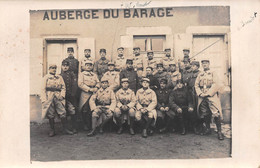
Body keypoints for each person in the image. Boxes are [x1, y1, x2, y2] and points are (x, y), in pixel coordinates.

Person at [195, 58, 224, 140]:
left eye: (206, 63)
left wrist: (208, 93)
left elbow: (216, 84)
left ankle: (219, 132)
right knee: (205, 113)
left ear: (209, 64)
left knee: (215, 112)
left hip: (211, 96)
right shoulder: (200, 74)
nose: (204, 65)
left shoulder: (213, 73)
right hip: (202, 96)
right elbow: (196, 85)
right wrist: (200, 93)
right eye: (203, 63)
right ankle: (207, 129)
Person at [41, 64, 73, 137]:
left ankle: (65, 129)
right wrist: (44, 99)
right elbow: (42, 89)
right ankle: (52, 130)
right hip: (49, 96)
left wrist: (62, 95)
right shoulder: (46, 77)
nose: (54, 70)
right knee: (50, 113)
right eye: (52, 68)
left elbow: (63, 87)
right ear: (49, 69)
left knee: (62, 112)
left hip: (58, 96)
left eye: (55, 68)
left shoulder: (59, 77)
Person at [78, 60, 100, 131]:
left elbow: (98, 82)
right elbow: (80, 84)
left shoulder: (94, 75)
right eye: (87, 65)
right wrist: (89, 89)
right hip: (85, 93)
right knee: (85, 109)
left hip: (94, 93)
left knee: (93, 109)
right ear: (84, 66)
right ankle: (85, 124)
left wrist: (96, 87)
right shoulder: (82, 74)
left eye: (90, 65)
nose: (88, 67)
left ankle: (93, 125)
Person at [60, 60, 78, 134]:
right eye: (64, 66)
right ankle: (65, 128)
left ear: (68, 67)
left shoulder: (72, 74)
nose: (65, 67)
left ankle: (73, 127)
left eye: (66, 66)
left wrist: (73, 94)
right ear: (61, 66)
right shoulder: (59, 76)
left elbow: (74, 85)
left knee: (72, 111)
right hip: (62, 96)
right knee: (63, 112)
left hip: (71, 96)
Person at [187, 61, 201, 134]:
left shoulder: (200, 74)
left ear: (197, 66)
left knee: (199, 110)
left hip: (198, 93)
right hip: (191, 93)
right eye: (191, 66)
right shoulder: (190, 74)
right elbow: (188, 84)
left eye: (193, 66)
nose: (192, 67)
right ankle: (193, 126)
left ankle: (200, 126)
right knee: (192, 109)